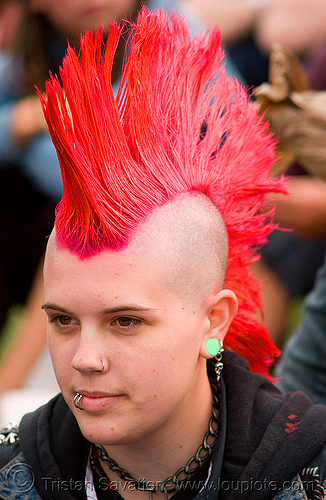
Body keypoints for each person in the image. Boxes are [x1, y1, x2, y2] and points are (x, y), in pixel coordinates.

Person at [1, 9, 326, 499]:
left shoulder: (304, 476)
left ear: (214, 321)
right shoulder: (16, 474)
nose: (85, 360)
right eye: (64, 320)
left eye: (126, 321)